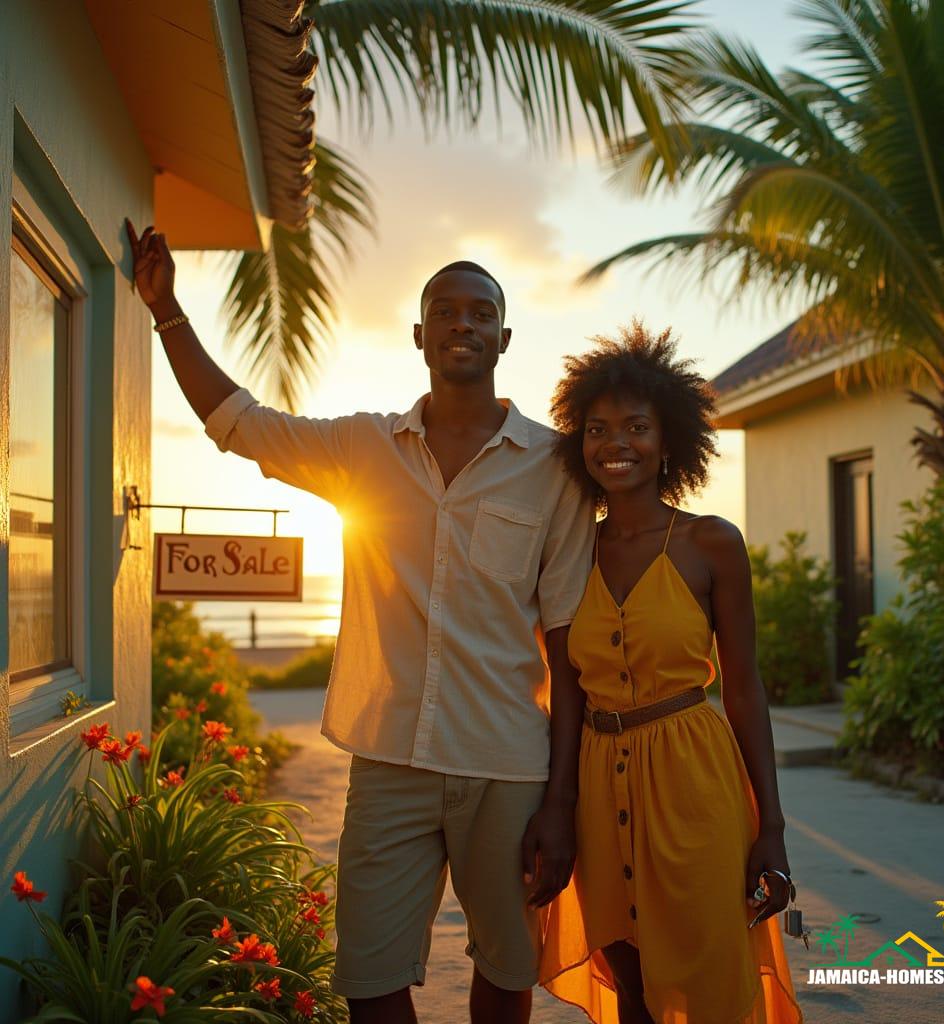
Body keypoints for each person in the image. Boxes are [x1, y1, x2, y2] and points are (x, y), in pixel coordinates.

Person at [125, 220, 595, 1024]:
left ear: (505, 338)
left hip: (508, 766)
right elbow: (239, 423)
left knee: (506, 969)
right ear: (418, 336)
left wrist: (562, 799)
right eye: (445, 311)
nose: (462, 324)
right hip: (387, 760)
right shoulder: (362, 447)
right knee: (369, 978)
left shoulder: (555, 469)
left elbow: (567, 645)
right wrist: (166, 311)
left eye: (481, 313)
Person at [539, 321, 804, 1024]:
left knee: (709, 977)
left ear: (669, 442)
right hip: (598, 786)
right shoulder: (569, 554)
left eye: (636, 427)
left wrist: (772, 827)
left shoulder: (711, 543)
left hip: (693, 780)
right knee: (631, 988)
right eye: (597, 429)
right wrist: (558, 804)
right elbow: (564, 688)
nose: (616, 443)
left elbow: (742, 688)